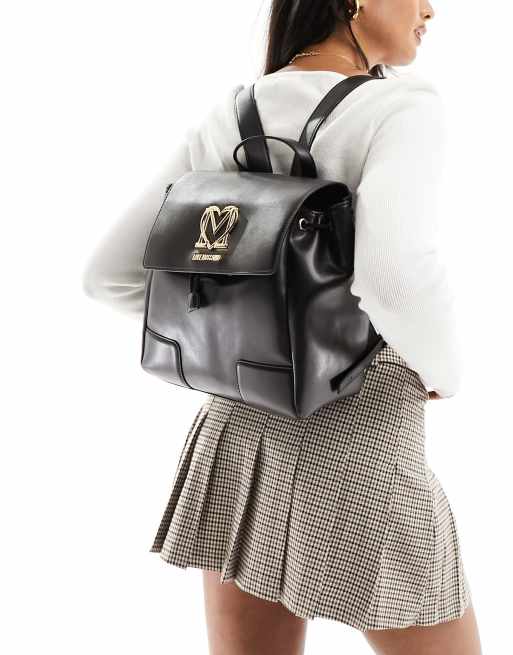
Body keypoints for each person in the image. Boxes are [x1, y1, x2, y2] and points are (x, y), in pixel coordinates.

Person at [82, 1, 483, 653]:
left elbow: (109, 275)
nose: (429, 10)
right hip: (360, 426)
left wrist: (222, 329)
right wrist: (442, 370)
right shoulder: (398, 108)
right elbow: (392, 276)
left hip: (239, 426)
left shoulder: (234, 112)